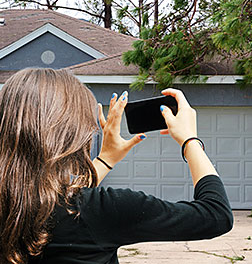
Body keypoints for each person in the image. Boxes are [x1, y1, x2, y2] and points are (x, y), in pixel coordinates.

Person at [0, 68, 233, 264]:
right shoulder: (105, 210)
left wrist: (106, 159)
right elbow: (216, 215)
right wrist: (189, 140)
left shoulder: (12, 209)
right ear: (70, 134)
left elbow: (59, 201)